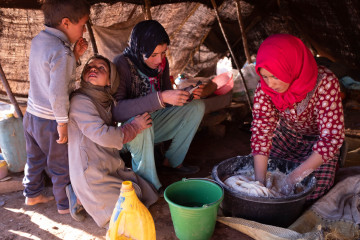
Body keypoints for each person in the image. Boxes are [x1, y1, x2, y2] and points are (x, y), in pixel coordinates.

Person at [112, 20, 205, 192]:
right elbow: (117, 111)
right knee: (143, 121)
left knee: (197, 106)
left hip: (155, 122)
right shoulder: (122, 63)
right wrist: (160, 97)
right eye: (153, 54)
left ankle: (173, 161)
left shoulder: (162, 64)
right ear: (139, 49)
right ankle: (148, 185)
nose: (159, 59)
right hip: (127, 131)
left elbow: (167, 100)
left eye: (163, 53)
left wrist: (186, 95)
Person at [251, 34, 345, 200]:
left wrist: (292, 179)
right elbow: (261, 132)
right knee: (265, 172)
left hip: (320, 142)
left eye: (275, 76)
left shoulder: (325, 83)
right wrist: (259, 184)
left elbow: (331, 137)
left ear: (291, 67)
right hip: (286, 136)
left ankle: (335, 159)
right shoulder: (265, 88)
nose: (270, 84)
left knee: (310, 190)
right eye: (265, 76)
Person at [68, 55, 159, 228]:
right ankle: (79, 194)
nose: (93, 69)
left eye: (101, 68)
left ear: (110, 81)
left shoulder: (104, 101)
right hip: (91, 173)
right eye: (90, 66)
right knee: (124, 213)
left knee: (142, 195)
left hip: (107, 165)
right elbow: (103, 135)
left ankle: (80, 196)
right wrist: (134, 127)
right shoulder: (80, 100)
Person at [22, 0, 90, 216]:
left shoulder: (39, 41)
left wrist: (75, 57)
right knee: (60, 164)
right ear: (66, 23)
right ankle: (64, 205)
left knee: (34, 159)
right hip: (51, 120)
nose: (84, 30)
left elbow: (49, 73)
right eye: (82, 25)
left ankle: (32, 194)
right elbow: (58, 92)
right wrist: (62, 122)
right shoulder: (62, 52)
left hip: (31, 116)